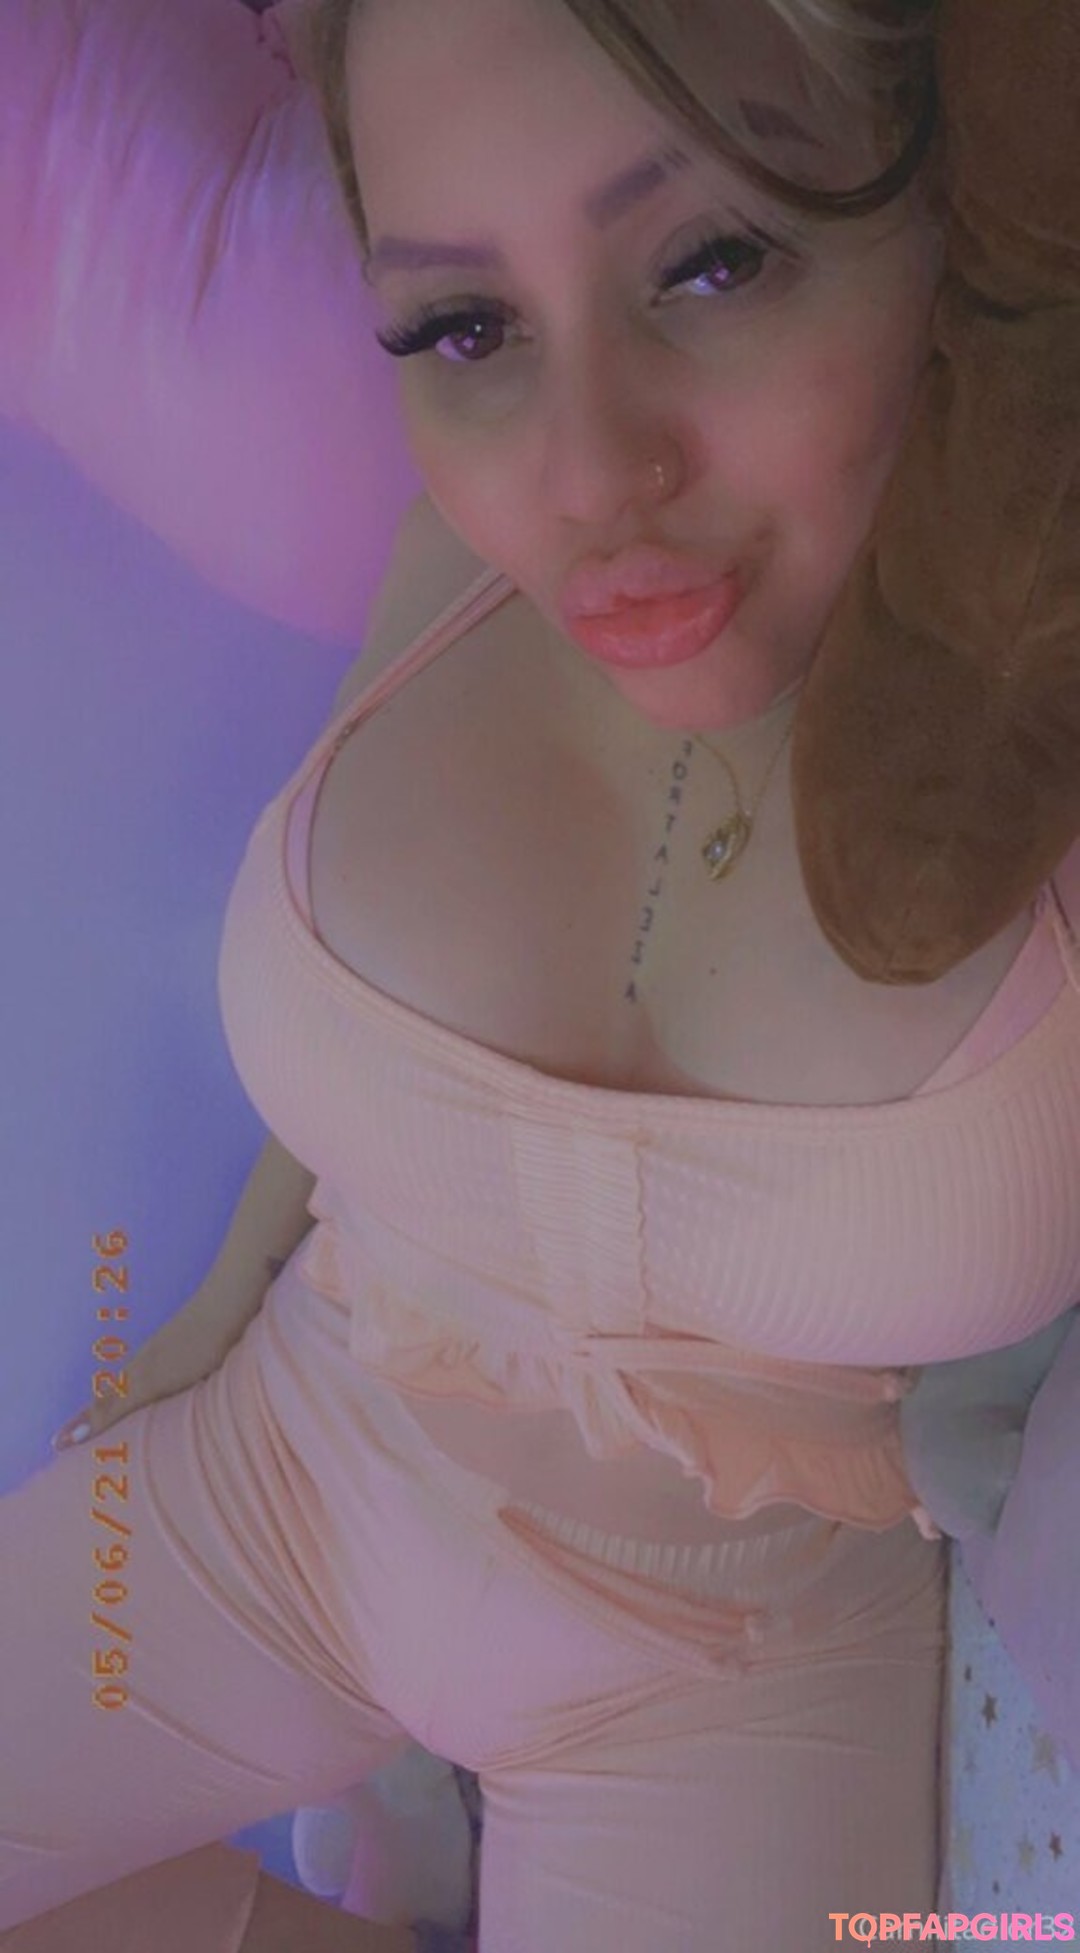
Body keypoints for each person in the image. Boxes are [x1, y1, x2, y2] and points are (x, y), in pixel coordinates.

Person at [5, 0, 1080, 1946]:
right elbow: (348, 1101)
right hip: (285, 1479)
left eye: (714, 259)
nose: (592, 477)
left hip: (749, 1682)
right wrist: (205, 1313)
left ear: (959, 200)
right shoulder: (452, 558)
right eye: (465, 326)